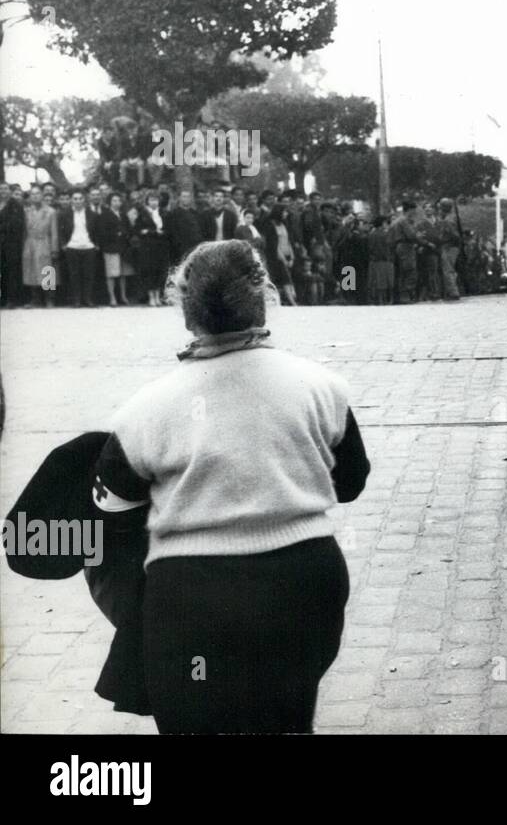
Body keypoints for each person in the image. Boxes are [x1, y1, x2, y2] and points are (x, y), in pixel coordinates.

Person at [91, 239, 369, 733]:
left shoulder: (143, 411)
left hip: (190, 600)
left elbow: (113, 511)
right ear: (265, 294)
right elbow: (349, 484)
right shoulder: (323, 388)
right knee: (285, 723)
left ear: (183, 308)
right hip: (304, 583)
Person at [59, 189, 99, 308]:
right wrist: (64, 244)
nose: (77, 201)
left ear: (84, 200)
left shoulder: (92, 214)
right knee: (74, 275)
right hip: (72, 247)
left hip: (88, 247)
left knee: (88, 274)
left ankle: (87, 299)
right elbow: (60, 231)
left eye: (80, 199)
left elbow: (97, 231)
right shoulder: (64, 214)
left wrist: (96, 244)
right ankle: (76, 300)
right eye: (75, 199)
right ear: (71, 200)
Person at [22, 186, 59, 308]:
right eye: (32, 194)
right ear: (30, 197)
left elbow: (54, 232)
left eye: (38, 194)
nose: (35, 196)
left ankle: (49, 299)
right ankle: (35, 299)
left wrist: (54, 248)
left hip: (44, 242)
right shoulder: (26, 211)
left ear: (42, 195)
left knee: (47, 270)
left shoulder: (50, 211)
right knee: (31, 269)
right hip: (30, 242)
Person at [133, 191, 170, 307]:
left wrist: (153, 232)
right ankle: (151, 297)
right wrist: (152, 232)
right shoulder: (143, 214)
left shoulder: (164, 213)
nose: (154, 202)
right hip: (148, 247)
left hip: (161, 246)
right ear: (147, 201)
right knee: (149, 270)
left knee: (160, 270)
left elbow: (168, 229)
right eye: (151, 200)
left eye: (156, 200)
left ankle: (158, 296)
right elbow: (138, 230)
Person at [96, 192, 131, 306]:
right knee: (111, 274)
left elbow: (128, 229)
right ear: (110, 202)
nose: (117, 203)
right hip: (110, 247)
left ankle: (123, 296)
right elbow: (102, 232)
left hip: (123, 248)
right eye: (114, 201)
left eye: (118, 201)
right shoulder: (104, 215)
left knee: (123, 274)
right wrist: (116, 234)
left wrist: (124, 234)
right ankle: (112, 298)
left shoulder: (123, 215)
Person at [0, 183, 26, 308]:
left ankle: (12, 300)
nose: (2, 191)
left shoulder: (15, 205)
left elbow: (15, 224)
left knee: (11, 272)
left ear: (10, 191)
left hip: (11, 244)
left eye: (5, 189)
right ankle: (2, 299)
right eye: (0, 189)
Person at [368, 215, 395, 305]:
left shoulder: (371, 234)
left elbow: (370, 247)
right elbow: (389, 246)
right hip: (385, 259)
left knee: (378, 281)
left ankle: (380, 300)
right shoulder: (385, 234)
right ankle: (390, 299)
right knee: (388, 281)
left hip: (375, 260)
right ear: (382, 223)